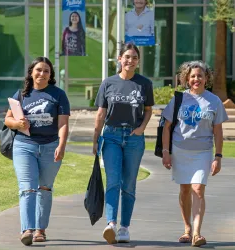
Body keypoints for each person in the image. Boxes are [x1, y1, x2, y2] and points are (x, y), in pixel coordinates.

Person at [4, 57, 70, 246]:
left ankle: (40, 229)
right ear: (31, 72)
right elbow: (7, 120)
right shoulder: (21, 94)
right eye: (39, 70)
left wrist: (62, 145)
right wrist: (17, 123)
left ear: (51, 75)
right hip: (24, 145)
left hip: (50, 146)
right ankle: (27, 229)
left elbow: (63, 123)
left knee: (45, 188)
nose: (42, 74)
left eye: (46, 71)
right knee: (27, 188)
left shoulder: (58, 95)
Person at [161, 61, 228, 247]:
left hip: (203, 152)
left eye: (200, 75)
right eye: (192, 76)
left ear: (206, 78)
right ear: (186, 79)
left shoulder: (213, 101)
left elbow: (218, 131)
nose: (196, 79)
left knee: (198, 189)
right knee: (184, 190)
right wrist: (166, 152)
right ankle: (187, 229)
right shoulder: (179, 99)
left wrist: (218, 156)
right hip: (180, 150)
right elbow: (166, 127)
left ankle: (197, 234)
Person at [93, 43, 154, 244]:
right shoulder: (108, 83)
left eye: (134, 57)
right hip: (111, 136)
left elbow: (148, 110)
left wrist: (142, 128)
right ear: (119, 59)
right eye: (127, 57)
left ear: (138, 61)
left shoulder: (144, 83)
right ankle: (110, 223)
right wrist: (95, 139)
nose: (130, 60)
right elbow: (101, 113)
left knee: (128, 184)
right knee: (113, 181)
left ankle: (124, 228)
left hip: (134, 137)